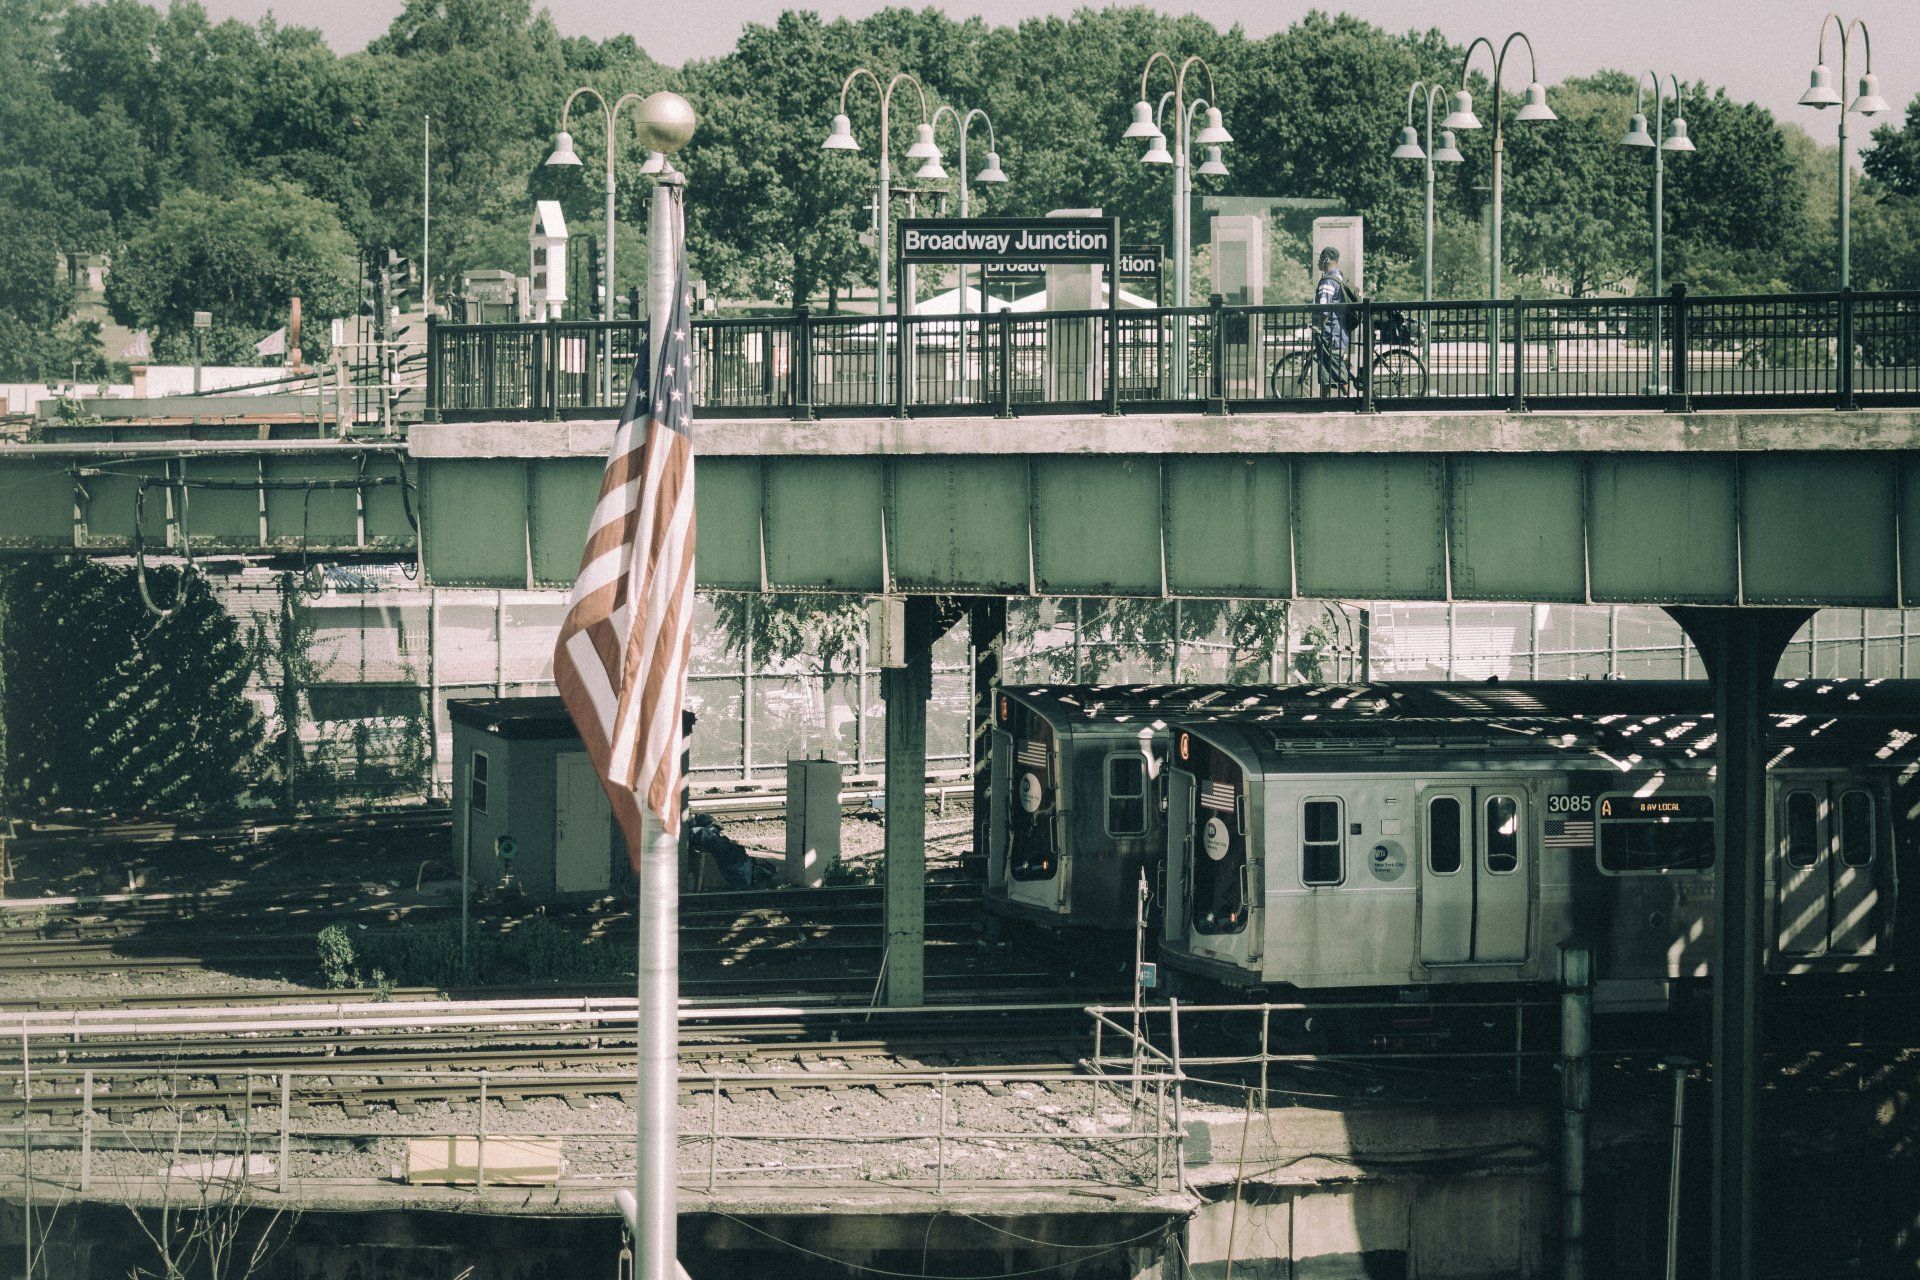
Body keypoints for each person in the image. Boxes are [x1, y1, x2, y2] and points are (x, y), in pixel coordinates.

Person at [1312, 246, 1361, 396]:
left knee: (1335, 367)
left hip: (1330, 332)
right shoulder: (1340, 277)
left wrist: (1317, 326)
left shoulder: (1327, 282)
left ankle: (1351, 400)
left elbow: (1324, 308)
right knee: (1329, 367)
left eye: (1320, 258)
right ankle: (1324, 403)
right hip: (1340, 332)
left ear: (1326, 260)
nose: (1318, 262)